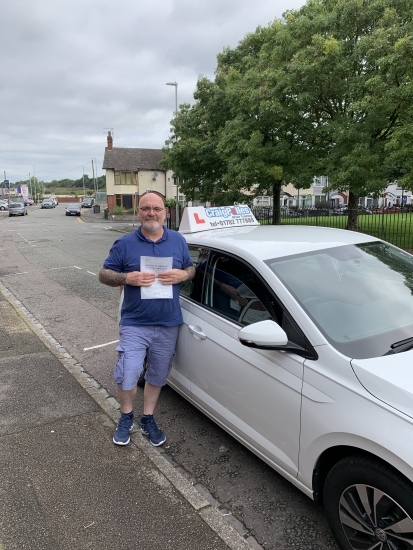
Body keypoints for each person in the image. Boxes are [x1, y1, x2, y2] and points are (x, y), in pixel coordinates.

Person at [99, 193, 195, 446]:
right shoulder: (124, 244)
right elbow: (104, 274)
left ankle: (148, 418)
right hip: (134, 322)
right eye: (146, 209)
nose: (151, 213)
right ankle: (126, 416)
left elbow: (191, 268)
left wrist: (182, 276)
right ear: (138, 212)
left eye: (156, 209)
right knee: (128, 373)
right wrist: (126, 279)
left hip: (168, 322)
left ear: (165, 212)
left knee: (157, 374)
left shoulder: (178, 241)